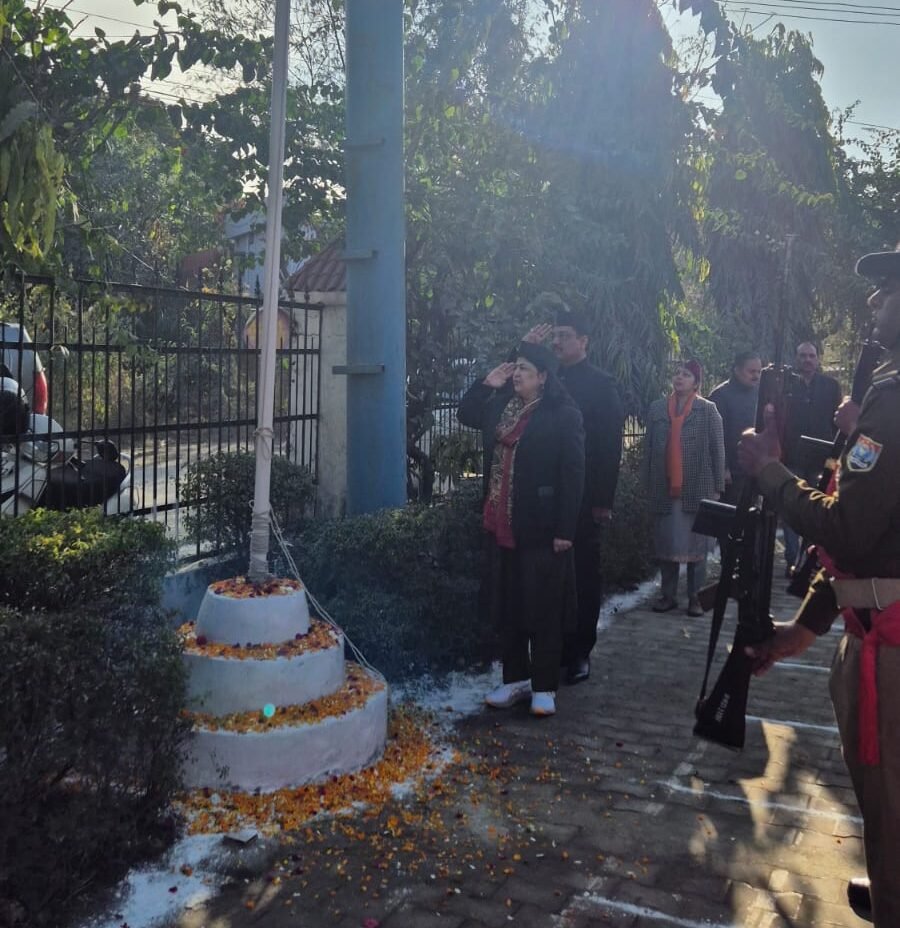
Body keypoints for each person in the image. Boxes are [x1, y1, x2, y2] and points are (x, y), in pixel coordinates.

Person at [738, 247, 900, 927]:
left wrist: (771, 473)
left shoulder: (893, 400)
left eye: (888, 289)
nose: (874, 302)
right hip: (874, 625)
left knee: (890, 799)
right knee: (883, 806)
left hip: (891, 648)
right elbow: (872, 543)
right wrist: (805, 629)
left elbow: (852, 532)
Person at [457, 341, 584, 718]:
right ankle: (514, 679)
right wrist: (487, 383)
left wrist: (565, 529)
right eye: (515, 368)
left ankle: (544, 685)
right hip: (503, 522)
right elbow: (466, 413)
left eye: (524, 369)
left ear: (543, 377)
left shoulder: (563, 414)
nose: (517, 375)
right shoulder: (502, 407)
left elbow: (573, 473)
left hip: (542, 526)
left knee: (543, 607)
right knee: (509, 606)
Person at [521, 296, 624, 684]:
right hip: (546, 500)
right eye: (555, 336)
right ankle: (553, 648)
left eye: (565, 336)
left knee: (583, 575)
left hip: (583, 497)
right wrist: (525, 349)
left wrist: (603, 500)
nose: (558, 342)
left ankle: (580, 650)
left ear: (584, 341)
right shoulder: (547, 381)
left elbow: (610, 445)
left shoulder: (601, 385)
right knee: (550, 577)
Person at [643, 360, 725, 616]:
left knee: (696, 547)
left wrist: (718, 486)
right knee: (667, 545)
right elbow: (648, 449)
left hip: (697, 487)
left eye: (686, 375)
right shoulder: (657, 409)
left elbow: (718, 450)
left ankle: (695, 598)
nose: (679, 378)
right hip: (664, 487)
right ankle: (667, 595)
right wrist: (646, 482)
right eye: (677, 373)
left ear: (696, 383)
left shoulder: (707, 410)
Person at [781, 341, 842, 574]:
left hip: (822, 458)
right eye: (803, 355)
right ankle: (791, 558)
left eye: (811, 356)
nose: (807, 360)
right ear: (796, 358)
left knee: (817, 507)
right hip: (793, 456)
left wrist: (836, 456)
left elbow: (838, 424)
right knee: (791, 506)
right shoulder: (787, 385)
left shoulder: (830, 386)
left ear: (817, 359)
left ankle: (807, 559)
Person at [708, 351, 762, 505]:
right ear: (737, 370)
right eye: (751, 371)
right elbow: (714, 436)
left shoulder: (760, 393)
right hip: (731, 472)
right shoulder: (720, 396)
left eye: (759, 372)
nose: (756, 376)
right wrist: (723, 467)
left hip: (754, 469)